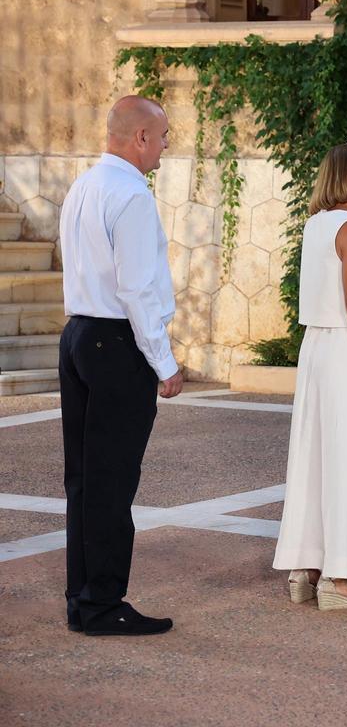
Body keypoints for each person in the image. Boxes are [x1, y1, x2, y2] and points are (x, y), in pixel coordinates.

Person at [59, 95, 184, 636]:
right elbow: (135, 290)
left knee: (85, 479)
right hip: (116, 343)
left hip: (79, 337)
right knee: (111, 479)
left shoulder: (84, 185)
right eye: (161, 137)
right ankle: (105, 602)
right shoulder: (132, 195)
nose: (164, 146)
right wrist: (164, 362)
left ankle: (82, 598)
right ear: (139, 138)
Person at [272, 143, 347, 610]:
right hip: (346, 350)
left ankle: (307, 569)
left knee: (316, 456)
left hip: (316, 349)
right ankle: (341, 580)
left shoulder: (316, 225)